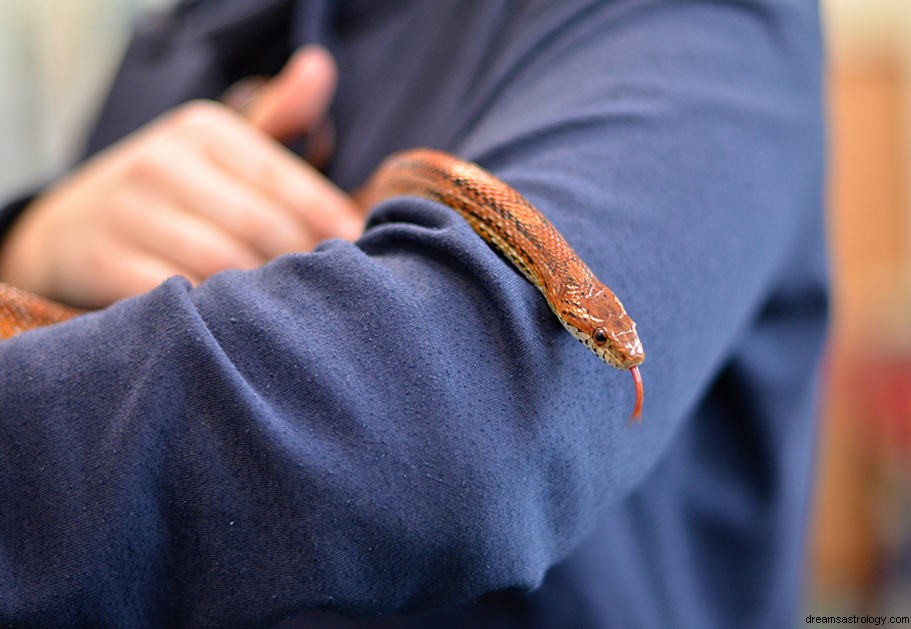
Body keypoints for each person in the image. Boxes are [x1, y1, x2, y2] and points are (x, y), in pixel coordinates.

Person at [0, 1, 828, 626]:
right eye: (604, 336)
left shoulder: (688, 25)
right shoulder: (177, 33)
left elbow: (456, 428)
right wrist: (26, 244)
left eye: (605, 339)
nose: (612, 348)